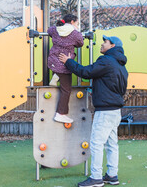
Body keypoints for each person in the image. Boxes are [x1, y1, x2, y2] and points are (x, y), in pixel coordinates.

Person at [59, 35, 128, 187]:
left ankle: (96, 178)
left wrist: (68, 61)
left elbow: (86, 72)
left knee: (96, 143)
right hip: (115, 110)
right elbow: (115, 87)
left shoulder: (106, 61)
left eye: (105, 42)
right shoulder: (121, 66)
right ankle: (112, 175)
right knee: (112, 144)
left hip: (104, 111)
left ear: (112, 45)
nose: (102, 44)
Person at [48, 14, 84, 124]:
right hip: (65, 63)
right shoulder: (75, 34)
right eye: (77, 23)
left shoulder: (55, 29)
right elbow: (81, 43)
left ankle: (56, 75)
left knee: (60, 74)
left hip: (53, 61)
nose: (77, 26)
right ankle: (61, 113)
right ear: (72, 22)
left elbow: (49, 31)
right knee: (66, 89)